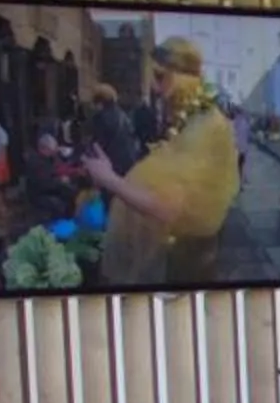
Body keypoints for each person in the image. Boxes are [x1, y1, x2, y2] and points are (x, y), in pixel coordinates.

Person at [82, 36, 239, 289]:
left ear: (183, 77)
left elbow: (168, 208)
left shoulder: (204, 126)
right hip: (179, 251)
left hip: (188, 258)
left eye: (160, 76)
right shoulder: (190, 119)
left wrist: (109, 179)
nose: (155, 88)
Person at [87, 83, 140, 176]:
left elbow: (99, 144)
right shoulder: (122, 114)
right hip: (129, 162)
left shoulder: (100, 118)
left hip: (112, 164)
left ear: (99, 102)